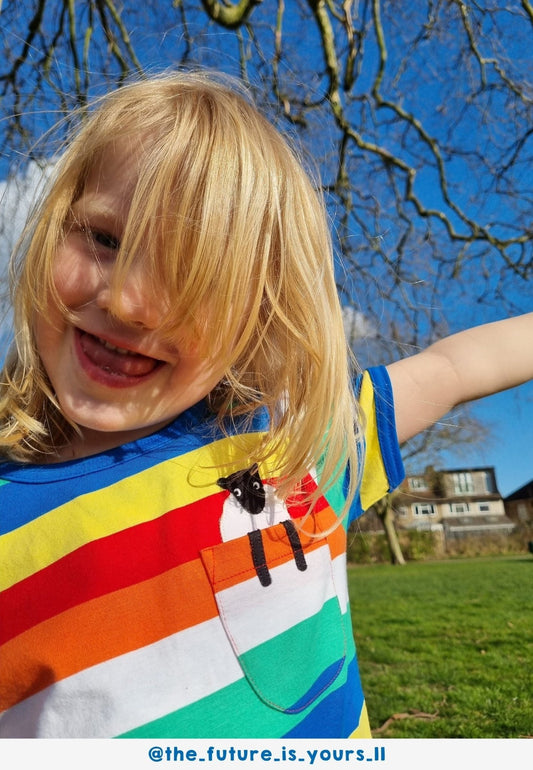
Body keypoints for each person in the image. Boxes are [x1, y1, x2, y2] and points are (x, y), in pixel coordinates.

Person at [0, 71, 531, 739]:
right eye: (105, 240)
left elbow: (453, 368)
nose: (128, 301)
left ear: (259, 316)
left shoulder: (298, 441)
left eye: (194, 275)